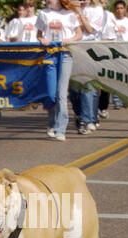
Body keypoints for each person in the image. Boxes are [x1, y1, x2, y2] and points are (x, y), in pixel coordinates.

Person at [36, 0, 82, 142]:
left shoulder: (70, 14)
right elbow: (39, 34)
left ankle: (61, 129)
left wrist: (70, 39)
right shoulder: (43, 13)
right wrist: (42, 39)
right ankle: (51, 123)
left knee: (61, 94)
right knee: (51, 94)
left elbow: (79, 34)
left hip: (65, 54)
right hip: (50, 54)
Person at [70, 0, 104, 135]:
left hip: (90, 49)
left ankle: (87, 120)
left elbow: (90, 29)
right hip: (74, 47)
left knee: (87, 86)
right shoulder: (69, 9)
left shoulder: (97, 10)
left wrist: (79, 12)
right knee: (74, 91)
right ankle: (81, 115)